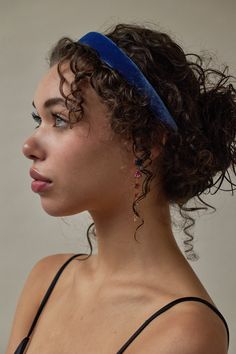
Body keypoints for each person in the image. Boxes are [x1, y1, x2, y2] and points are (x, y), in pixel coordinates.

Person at [6, 23, 235, 354]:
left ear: (145, 140)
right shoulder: (46, 279)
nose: (29, 145)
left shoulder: (185, 331)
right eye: (36, 119)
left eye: (59, 119)